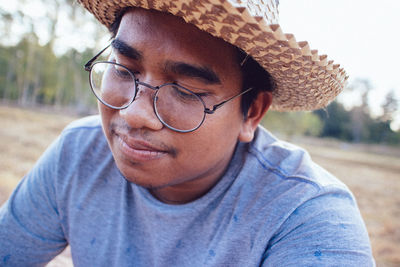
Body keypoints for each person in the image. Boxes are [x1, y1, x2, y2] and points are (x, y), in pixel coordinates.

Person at [0, 0, 374, 266]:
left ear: (252, 113)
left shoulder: (305, 218)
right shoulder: (79, 154)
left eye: (187, 91)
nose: (134, 113)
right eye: (123, 67)